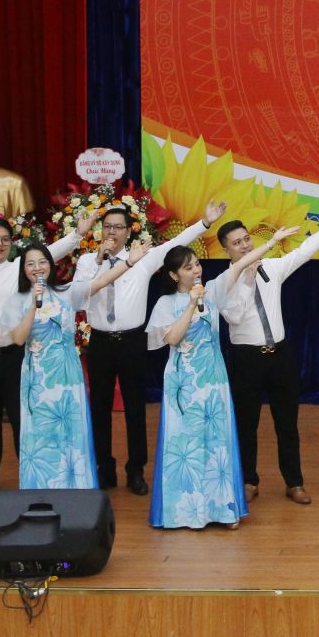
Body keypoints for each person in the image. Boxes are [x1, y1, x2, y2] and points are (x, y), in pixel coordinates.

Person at [146, 229, 298, 530]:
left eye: (197, 264)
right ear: (174, 275)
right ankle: (185, 511)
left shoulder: (213, 291)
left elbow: (240, 266)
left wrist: (270, 242)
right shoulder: (166, 303)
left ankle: (222, 509)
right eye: (188, 267)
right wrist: (192, 304)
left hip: (214, 379)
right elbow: (173, 338)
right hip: (184, 382)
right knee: (187, 444)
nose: (196, 270)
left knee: (217, 444)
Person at [74, 200, 227, 495]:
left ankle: (136, 471)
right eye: (107, 227)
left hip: (132, 342)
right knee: (99, 408)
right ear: (100, 230)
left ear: (128, 232)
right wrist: (98, 261)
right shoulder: (86, 262)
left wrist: (205, 223)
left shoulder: (143, 259)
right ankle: (104, 469)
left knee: (135, 408)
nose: (112, 232)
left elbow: (176, 242)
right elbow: (80, 297)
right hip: (100, 341)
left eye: (119, 227)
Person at [217, 196, 319, 507]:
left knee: (287, 424)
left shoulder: (272, 268)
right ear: (226, 250)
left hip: (280, 356)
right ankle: (249, 481)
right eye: (237, 243)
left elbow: (304, 251)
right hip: (246, 360)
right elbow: (234, 317)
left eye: (246, 239)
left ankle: (294, 482)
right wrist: (247, 279)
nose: (244, 246)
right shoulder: (224, 282)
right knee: (246, 425)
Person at [0, 211, 97, 498]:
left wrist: (79, 234)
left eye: (5, 239)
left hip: (15, 357)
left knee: (23, 421)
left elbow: (49, 253)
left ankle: (29, 478)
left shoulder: (21, 268)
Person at [0, 242, 135, 490]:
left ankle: (75, 488)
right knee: (41, 431)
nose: (37, 267)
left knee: (70, 430)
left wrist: (129, 262)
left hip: (67, 374)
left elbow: (101, 282)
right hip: (38, 378)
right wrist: (34, 304)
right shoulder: (15, 301)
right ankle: (40, 489)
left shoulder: (66, 292)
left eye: (42, 262)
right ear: (23, 269)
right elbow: (18, 338)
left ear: (51, 266)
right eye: (30, 264)